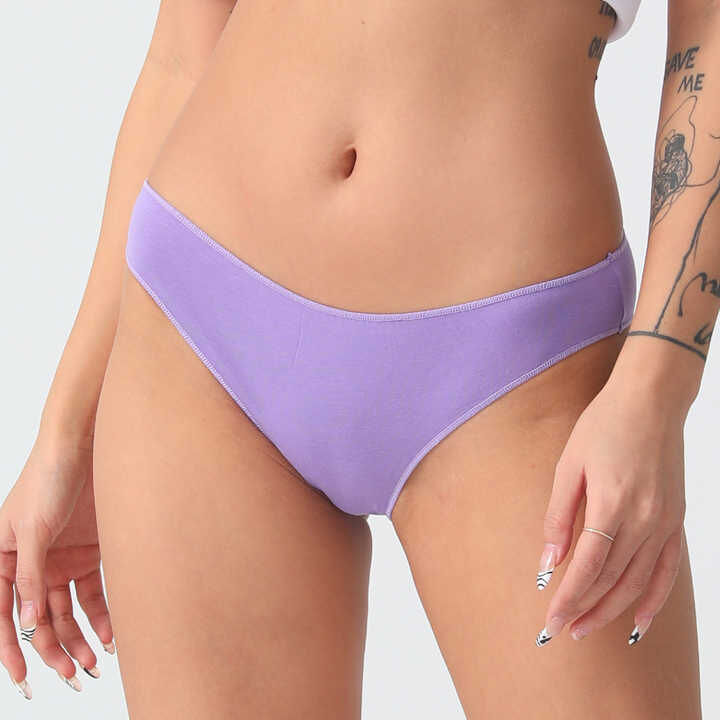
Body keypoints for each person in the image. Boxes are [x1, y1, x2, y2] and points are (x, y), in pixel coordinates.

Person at [0, 0, 716, 716]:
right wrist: (68, 430)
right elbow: (182, 57)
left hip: (515, 364)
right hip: (201, 324)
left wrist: (655, 392)